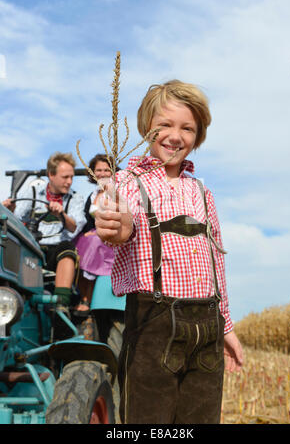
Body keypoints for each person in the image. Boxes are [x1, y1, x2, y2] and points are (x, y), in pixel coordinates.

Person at [95, 79, 243, 424]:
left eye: (187, 128)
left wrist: (226, 326)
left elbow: (215, 261)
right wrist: (118, 226)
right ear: (147, 126)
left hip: (206, 325)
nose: (175, 136)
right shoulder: (127, 182)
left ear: (198, 135)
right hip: (153, 323)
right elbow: (109, 219)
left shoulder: (203, 193)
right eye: (164, 125)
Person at [4, 152, 86, 316]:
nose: (69, 181)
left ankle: (60, 306)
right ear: (51, 175)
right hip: (33, 247)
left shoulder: (75, 198)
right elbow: (16, 219)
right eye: (65, 177)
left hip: (57, 250)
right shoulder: (33, 192)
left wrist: (62, 215)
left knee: (68, 249)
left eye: (71, 177)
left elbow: (74, 226)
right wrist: (10, 210)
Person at [73, 154, 116, 316]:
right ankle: (76, 293)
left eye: (107, 170)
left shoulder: (116, 191)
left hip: (110, 237)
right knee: (72, 243)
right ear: (93, 173)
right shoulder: (94, 193)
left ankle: (87, 298)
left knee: (91, 244)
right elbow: (85, 221)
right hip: (93, 234)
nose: (103, 173)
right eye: (99, 170)